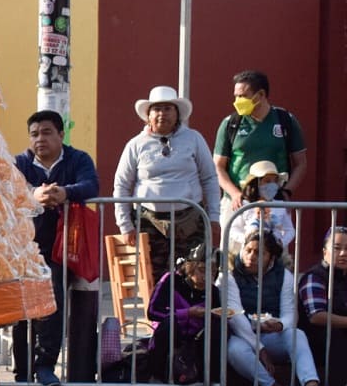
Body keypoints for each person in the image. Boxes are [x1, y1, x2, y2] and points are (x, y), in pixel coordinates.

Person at [8, 110, 99, 386]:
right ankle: (22, 374)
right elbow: (8, 187)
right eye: (34, 134)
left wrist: (65, 192)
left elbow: (91, 184)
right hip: (26, 246)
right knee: (23, 310)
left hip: (63, 248)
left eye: (46, 132)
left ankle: (45, 365)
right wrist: (33, 194)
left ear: (61, 134)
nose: (40, 139)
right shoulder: (20, 162)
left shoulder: (77, 159)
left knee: (52, 304)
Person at [114, 85, 220, 286]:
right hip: (149, 221)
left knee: (192, 273)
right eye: (157, 109)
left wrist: (214, 216)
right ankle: (159, 316)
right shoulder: (135, 145)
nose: (162, 114)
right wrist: (125, 225)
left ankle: (188, 316)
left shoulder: (194, 139)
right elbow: (121, 185)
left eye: (168, 108)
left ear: (177, 113)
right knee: (154, 276)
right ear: (148, 115)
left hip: (190, 218)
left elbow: (210, 178)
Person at [218, 229, 331, 386]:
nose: (251, 257)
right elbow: (236, 317)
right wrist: (260, 348)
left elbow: (290, 314)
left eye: (259, 253)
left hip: (271, 333)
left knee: (297, 335)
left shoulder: (284, 275)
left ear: (271, 258)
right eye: (248, 250)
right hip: (245, 335)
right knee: (234, 349)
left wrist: (280, 325)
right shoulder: (229, 275)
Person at [213, 70, 307, 226]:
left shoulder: (285, 120)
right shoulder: (230, 123)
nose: (237, 101)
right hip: (236, 203)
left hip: (274, 202)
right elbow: (218, 166)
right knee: (234, 249)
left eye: (243, 96)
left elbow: (301, 163)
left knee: (273, 248)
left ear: (261, 95)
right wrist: (234, 193)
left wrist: (286, 191)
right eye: (236, 96)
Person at [144, 244, 223, 386]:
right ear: (190, 267)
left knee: (216, 329)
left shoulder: (213, 291)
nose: (206, 277)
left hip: (194, 338)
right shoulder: (171, 280)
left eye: (212, 272)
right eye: (202, 270)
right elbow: (153, 311)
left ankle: (200, 382)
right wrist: (187, 313)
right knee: (170, 324)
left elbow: (215, 315)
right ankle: (156, 380)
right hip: (171, 333)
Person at [297, 226, 347, 386]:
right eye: (336, 248)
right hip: (319, 341)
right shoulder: (315, 277)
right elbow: (316, 316)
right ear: (325, 251)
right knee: (335, 333)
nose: (343, 253)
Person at [226, 160, 295, 255]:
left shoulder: (281, 206)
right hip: (249, 254)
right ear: (256, 183)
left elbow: (290, 229)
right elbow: (233, 229)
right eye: (267, 181)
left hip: (274, 254)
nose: (272, 185)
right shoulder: (245, 205)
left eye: (275, 181)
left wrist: (281, 242)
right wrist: (247, 239)